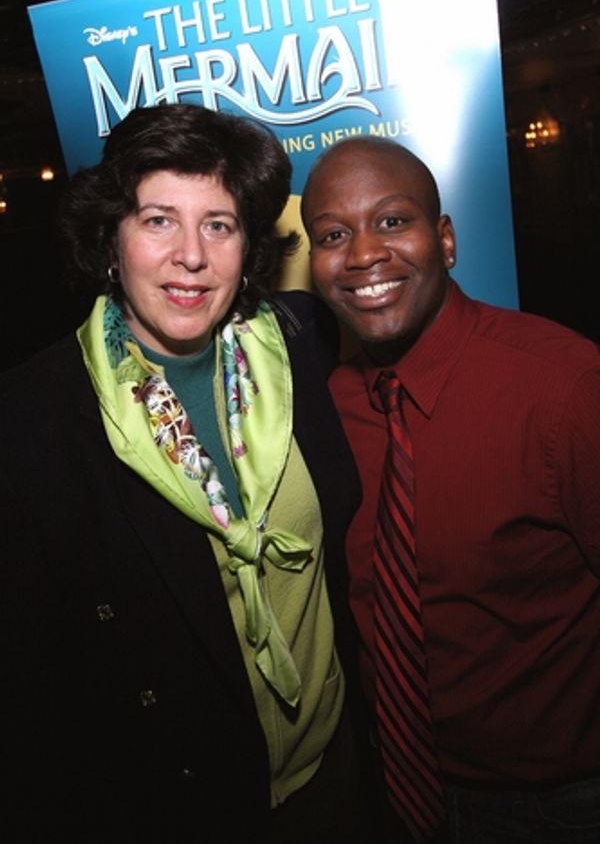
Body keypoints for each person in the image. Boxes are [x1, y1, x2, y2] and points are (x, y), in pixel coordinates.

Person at [0, 103, 367, 843]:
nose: (192, 256)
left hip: (336, 774)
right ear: (112, 239)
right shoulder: (33, 418)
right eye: (159, 219)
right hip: (180, 804)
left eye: (219, 224)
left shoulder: (300, 342)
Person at [301, 135, 600, 844]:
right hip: (394, 791)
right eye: (333, 234)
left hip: (559, 803)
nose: (364, 254)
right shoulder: (324, 409)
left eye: (393, 220)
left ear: (446, 240)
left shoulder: (563, 388)